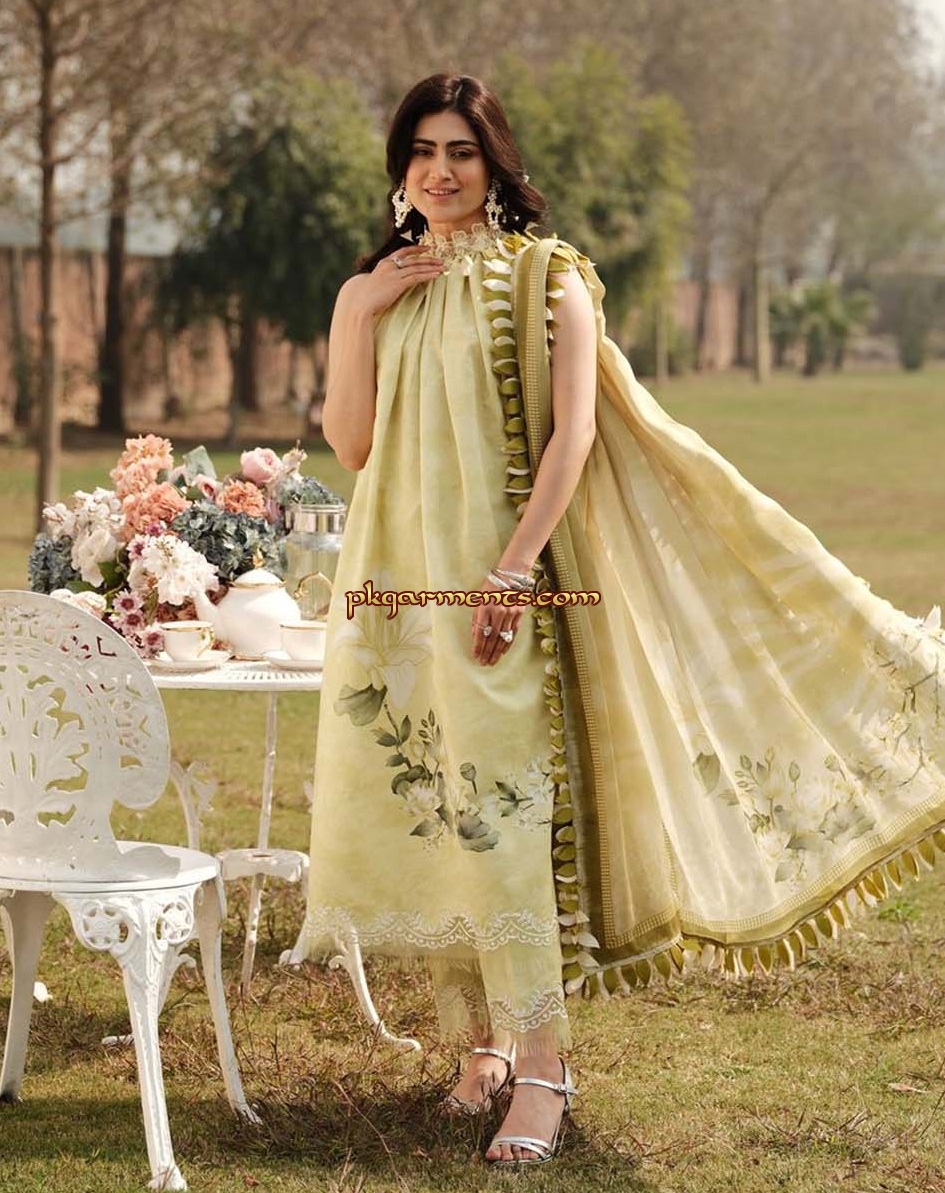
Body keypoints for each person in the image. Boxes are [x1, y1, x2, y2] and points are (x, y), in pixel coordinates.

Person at [299, 73, 945, 1167]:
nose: (440, 172)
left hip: (503, 584)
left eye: (461, 151)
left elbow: (576, 437)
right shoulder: (376, 288)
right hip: (398, 584)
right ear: (400, 166)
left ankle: (544, 1067)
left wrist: (511, 572)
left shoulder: (548, 278)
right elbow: (353, 445)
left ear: (496, 164)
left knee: (504, 812)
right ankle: (485, 1047)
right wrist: (358, 311)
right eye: (422, 151)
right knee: (438, 801)